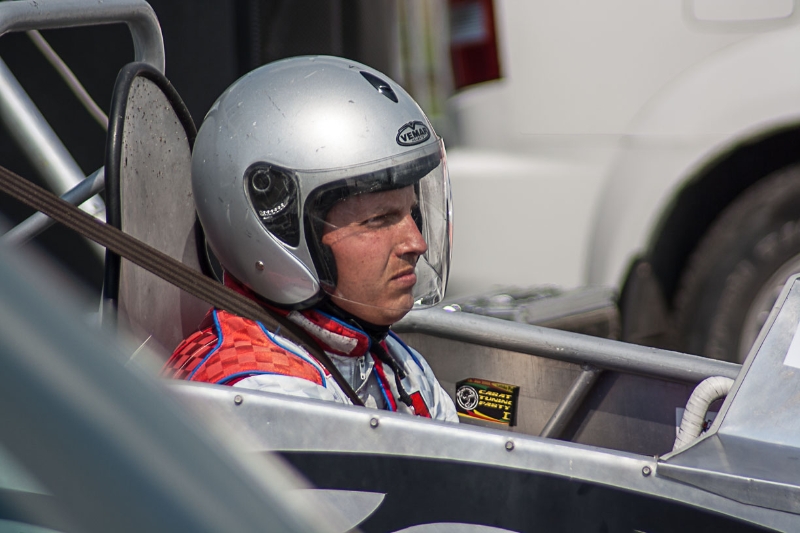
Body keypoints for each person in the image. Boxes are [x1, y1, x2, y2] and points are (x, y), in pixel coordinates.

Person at [162, 56, 457, 422]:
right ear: (280, 227)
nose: (416, 243)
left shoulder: (388, 360)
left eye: (412, 213)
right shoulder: (260, 395)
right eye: (379, 220)